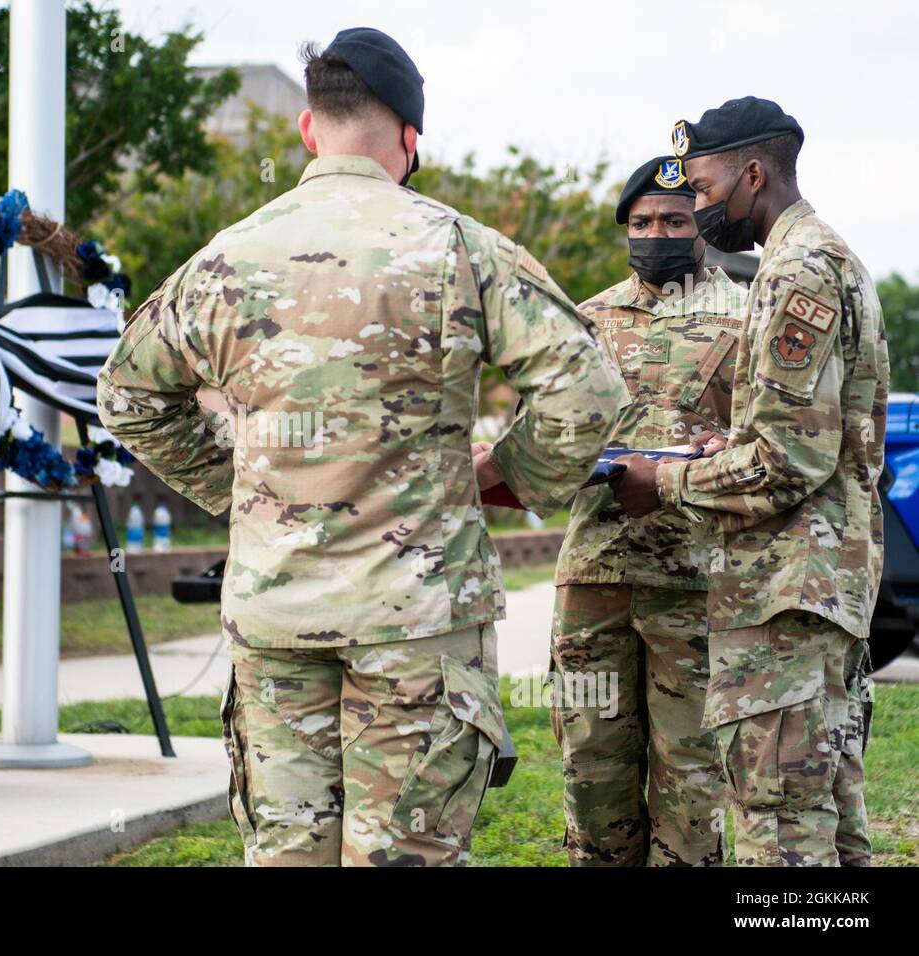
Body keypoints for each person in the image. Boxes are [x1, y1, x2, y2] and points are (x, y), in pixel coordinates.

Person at [98, 27, 625, 866]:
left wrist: (243, 493)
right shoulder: (460, 248)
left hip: (276, 621)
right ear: (410, 140)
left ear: (309, 130)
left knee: (287, 857)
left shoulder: (226, 257)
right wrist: (503, 476)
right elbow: (589, 391)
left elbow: (128, 395)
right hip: (418, 623)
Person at [612, 97, 887, 866]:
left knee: (780, 818)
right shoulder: (829, 259)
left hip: (786, 593)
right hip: (820, 585)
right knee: (829, 811)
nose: (695, 209)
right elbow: (811, 436)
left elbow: (784, 461)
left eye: (700, 190)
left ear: (753, 173)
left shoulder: (795, 271)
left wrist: (664, 483)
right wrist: (717, 448)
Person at [550, 156, 745, 866]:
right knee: (591, 767)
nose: (656, 233)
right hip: (594, 580)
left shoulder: (748, 314)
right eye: (641, 222)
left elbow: (768, 447)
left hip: (695, 585)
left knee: (692, 779)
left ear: (702, 227)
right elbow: (548, 432)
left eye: (673, 220)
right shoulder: (586, 319)